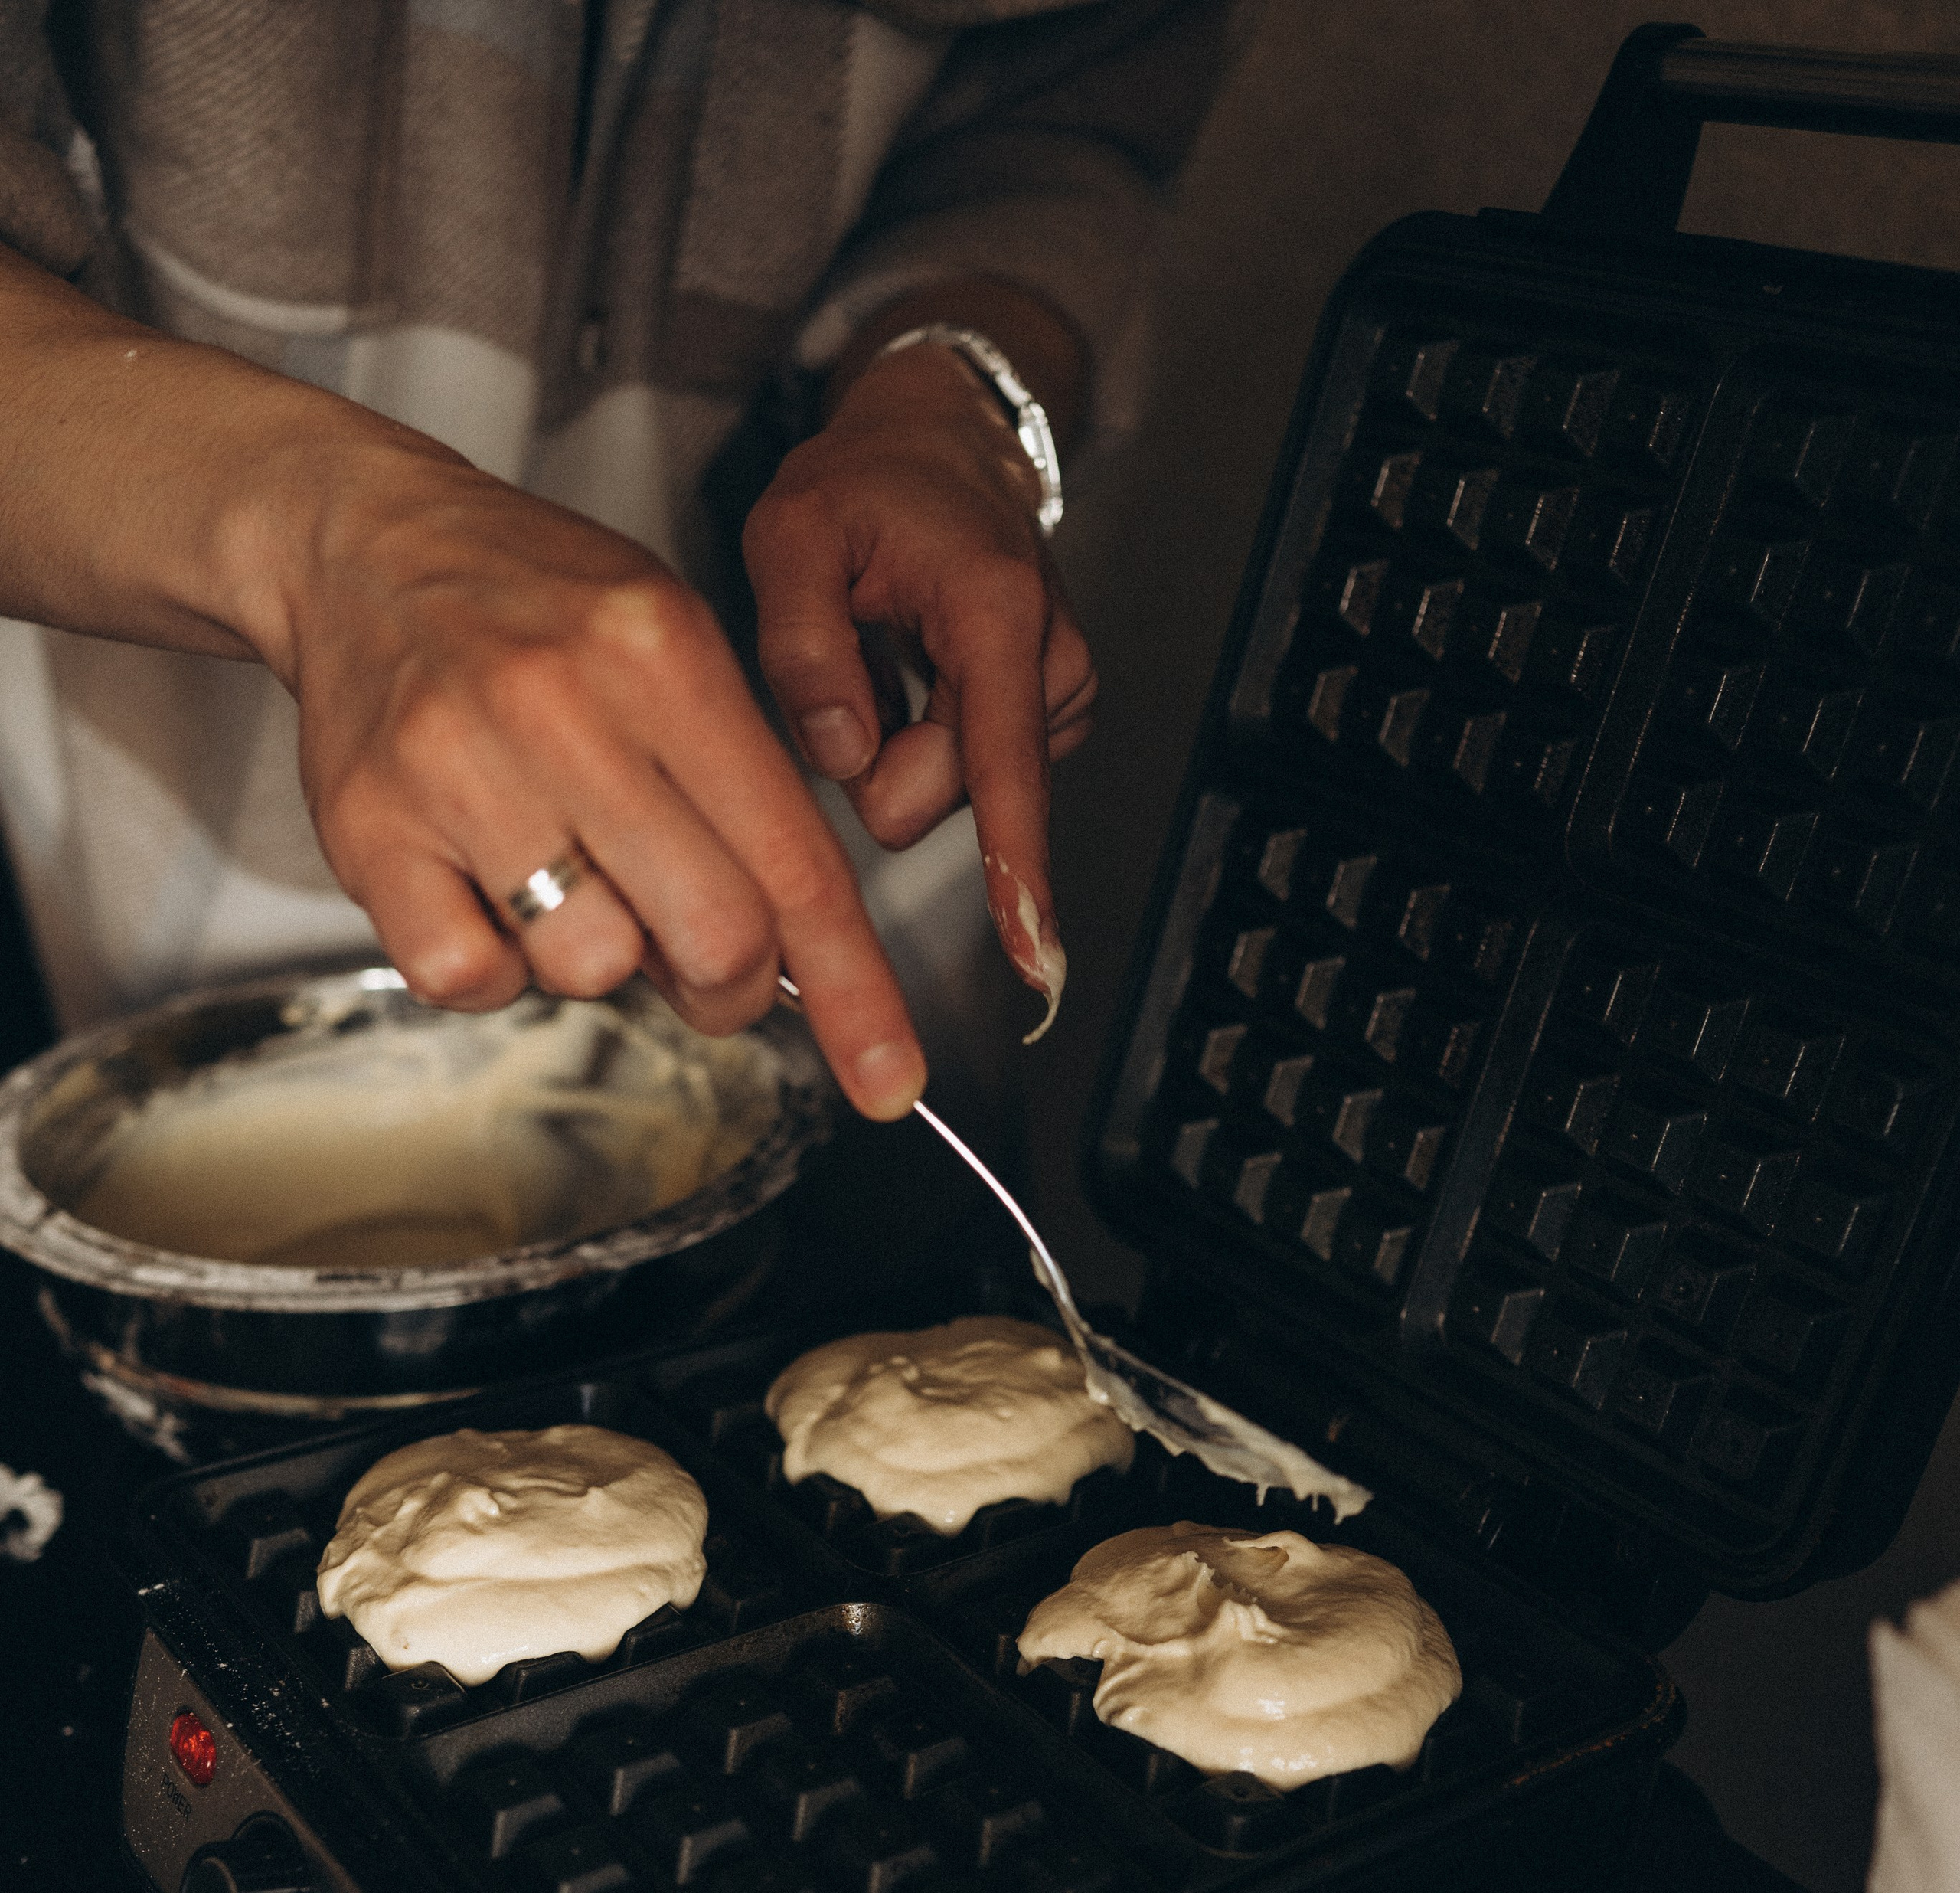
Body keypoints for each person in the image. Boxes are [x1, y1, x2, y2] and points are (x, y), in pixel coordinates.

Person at [0, 0, 1238, 1117]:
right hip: (170, 870)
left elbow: (1064, 114)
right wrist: (320, 537)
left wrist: (946, 399)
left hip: (870, 874)